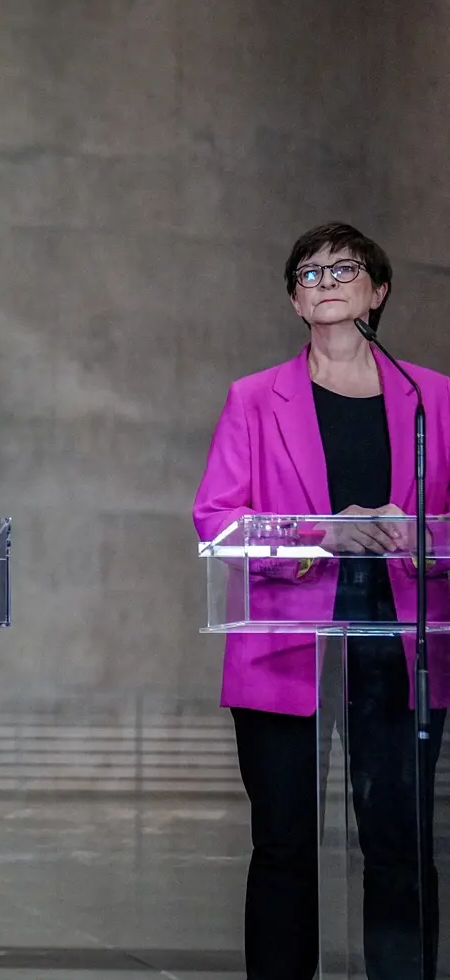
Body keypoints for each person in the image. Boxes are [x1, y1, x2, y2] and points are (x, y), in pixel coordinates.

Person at [194, 221, 450, 978]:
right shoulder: (253, 399)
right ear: (293, 301)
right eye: (309, 272)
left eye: (345, 269)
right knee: (282, 842)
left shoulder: (432, 396)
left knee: (399, 839)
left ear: (378, 290)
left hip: (404, 645)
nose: (327, 280)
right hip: (282, 644)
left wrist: (418, 533)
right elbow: (216, 522)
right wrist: (319, 535)